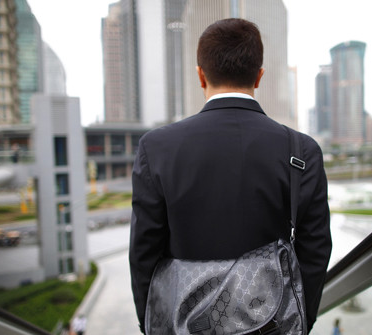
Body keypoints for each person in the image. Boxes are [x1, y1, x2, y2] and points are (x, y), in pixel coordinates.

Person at [129, 18, 332, 333]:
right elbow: (315, 250)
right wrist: (302, 321)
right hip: (271, 324)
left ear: (200, 75)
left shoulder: (156, 148)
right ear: (259, 76)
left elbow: (144, 252)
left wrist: (150, 322)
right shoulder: (302, 150)